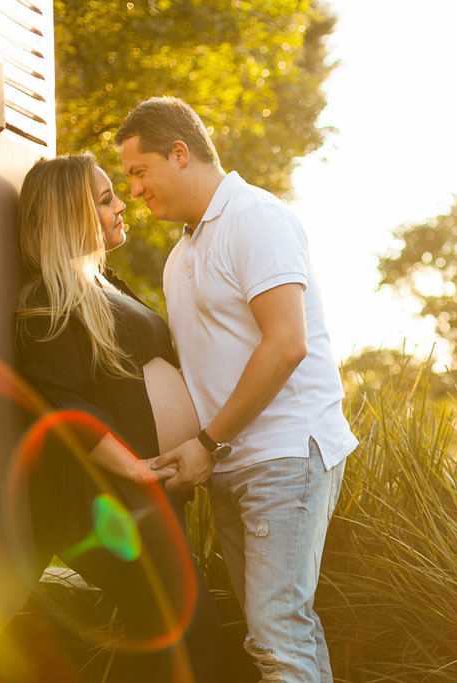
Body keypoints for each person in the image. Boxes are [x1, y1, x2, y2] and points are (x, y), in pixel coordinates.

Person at [115, 97, 357, 683]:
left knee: (277, 634)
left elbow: (285, 344)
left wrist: (207, 443)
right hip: (227, 464)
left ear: (180, 153)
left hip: (285, 454)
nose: (136, 190)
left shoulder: (255, 218)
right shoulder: (180, 257)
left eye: (139, 171)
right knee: (277, 633)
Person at [14, 153, 217, 682]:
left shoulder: (104, 283)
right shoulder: (49, 302)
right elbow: (63, 407)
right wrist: (136, 469)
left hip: (146, 493)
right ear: (71, 216)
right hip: (109, 501)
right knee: (183, 628)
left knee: (170, 632)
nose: (122, 204)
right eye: (106, 200)